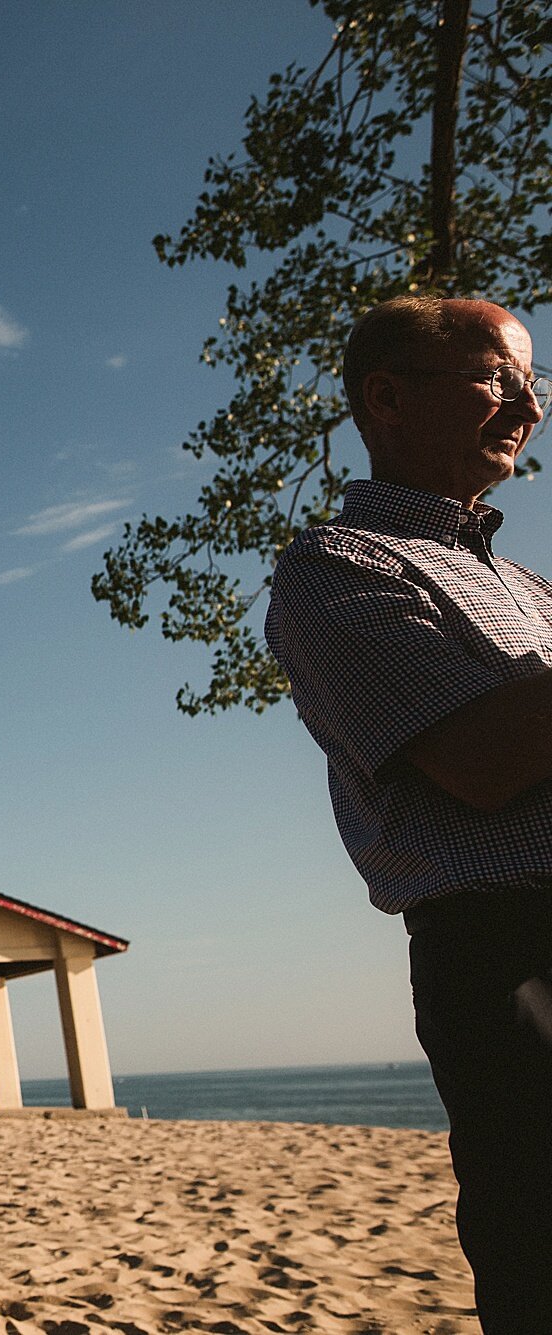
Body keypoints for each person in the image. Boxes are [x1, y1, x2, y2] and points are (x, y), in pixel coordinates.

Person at [265, 296, 552, 1333]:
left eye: (533, 382)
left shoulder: (526, 586)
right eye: (496, 378)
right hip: (512, 954)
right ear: (384, 397)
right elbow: (480, 764)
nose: (527, 403)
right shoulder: (336, 568)